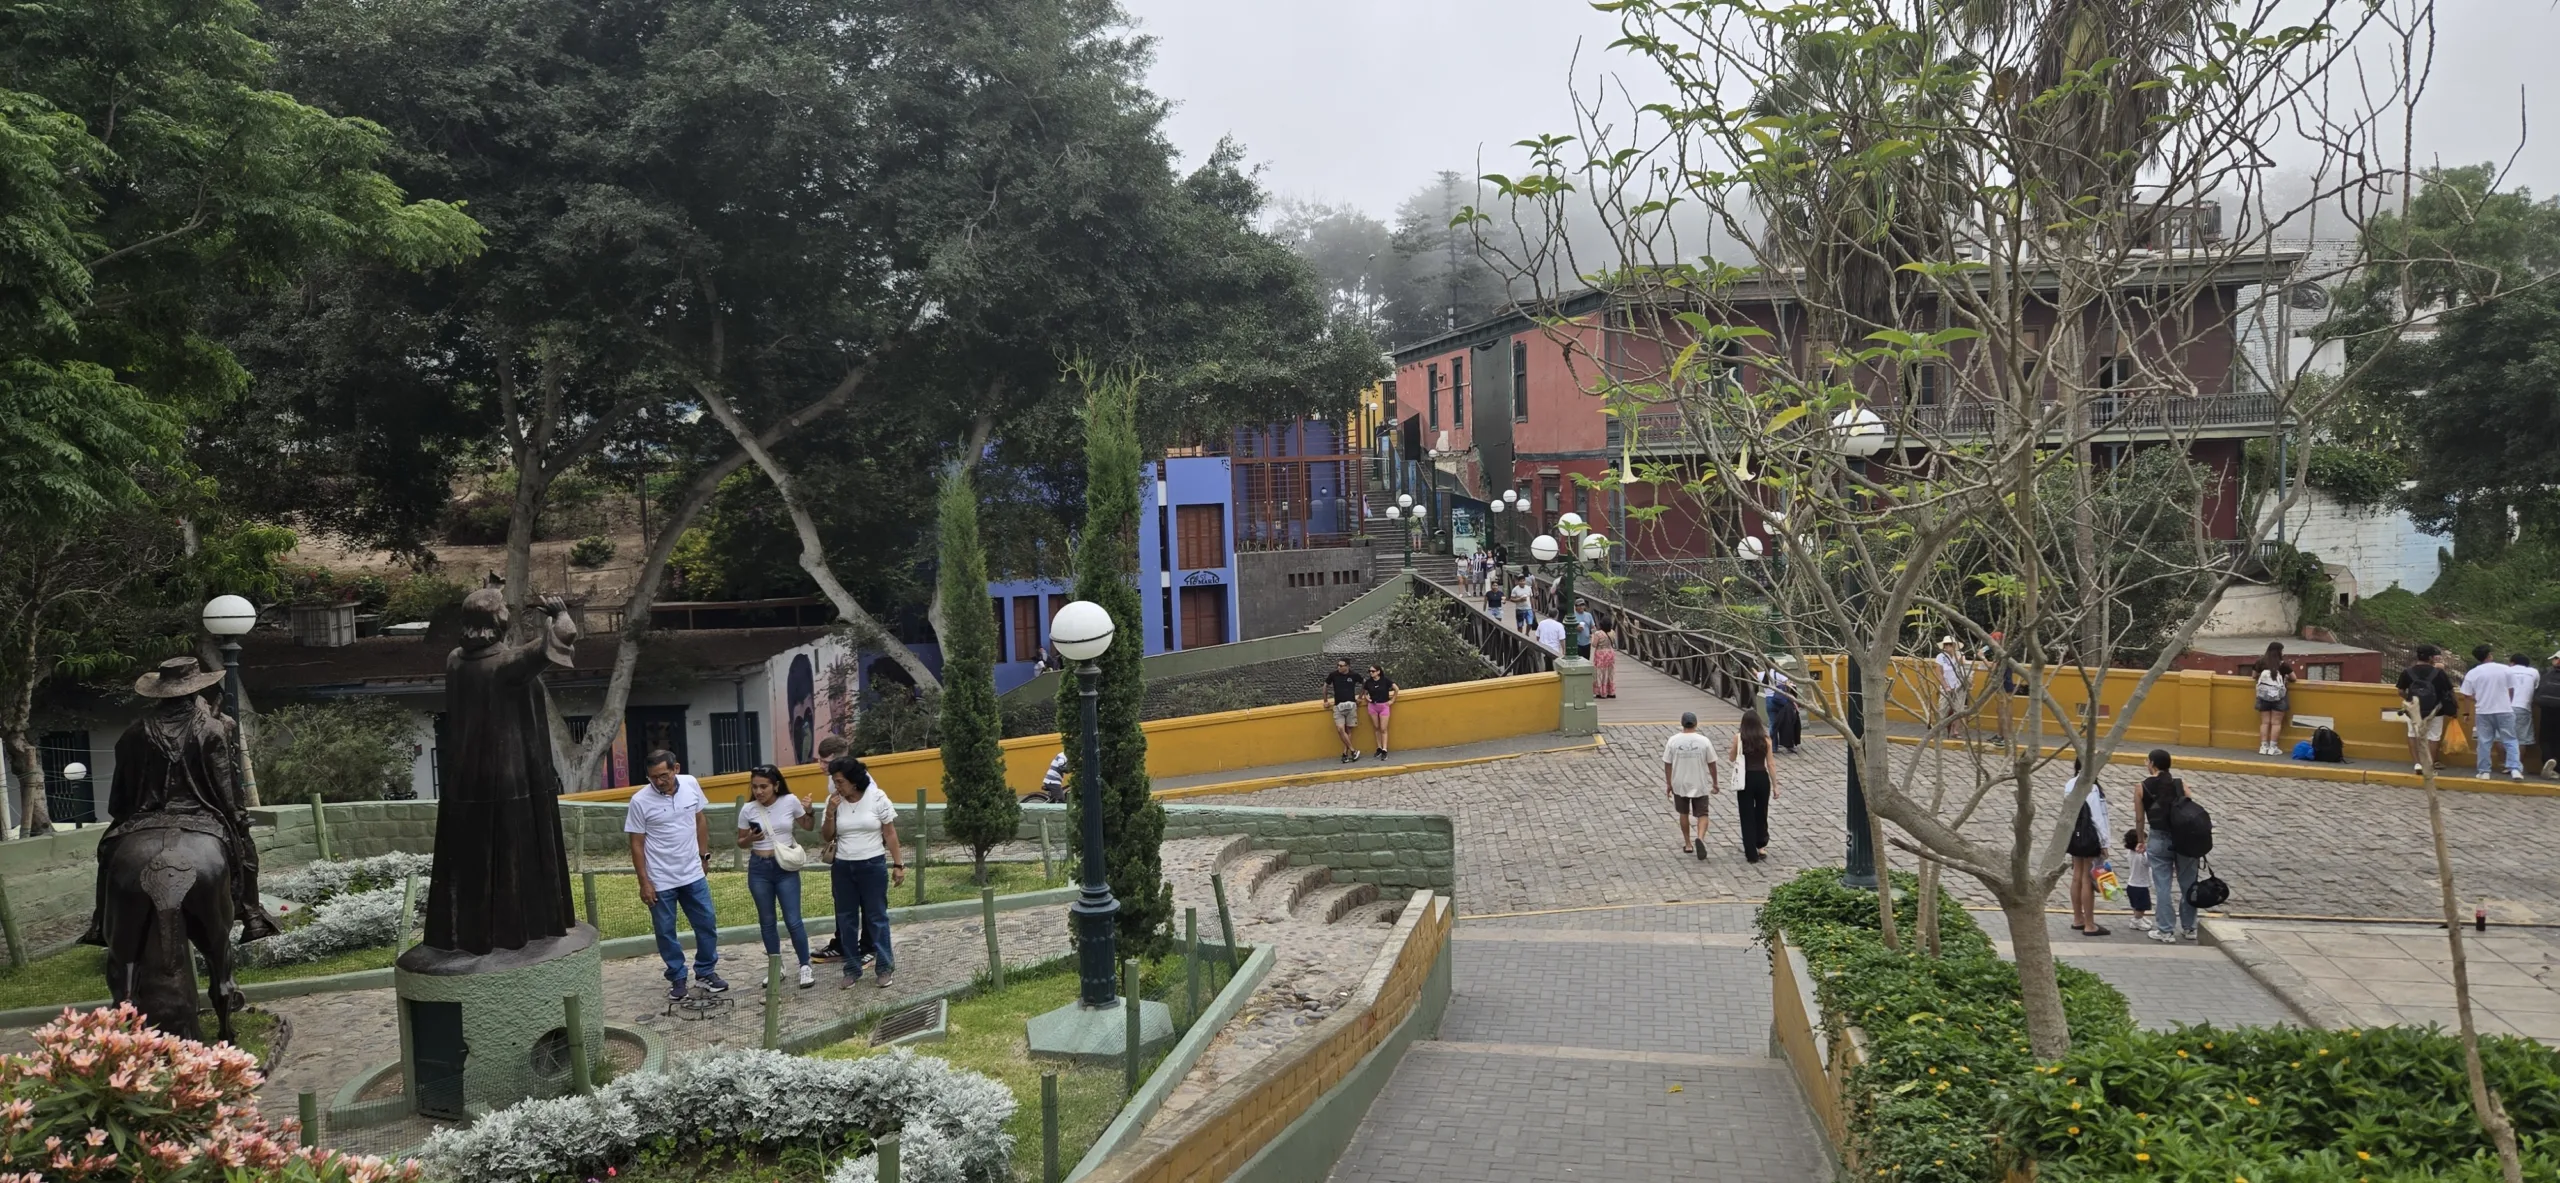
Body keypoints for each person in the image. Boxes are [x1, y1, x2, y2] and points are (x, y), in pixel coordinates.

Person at [626, 750, 726, 999]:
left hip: (692, 873)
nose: (659, 781)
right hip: (660, 879)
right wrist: (644, 882)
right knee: (665, 931)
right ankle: (677, 977)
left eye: (663, 775)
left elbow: (699, 820)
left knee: (707, 923)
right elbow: (636, 843)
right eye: (653, 777)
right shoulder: (639, 801)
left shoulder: (691, 784)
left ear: (676, 769)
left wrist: (703, 856)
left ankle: (705, 971)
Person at [820, 755, 904, 989]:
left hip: (872, 865)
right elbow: (826, 835)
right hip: (843, 867)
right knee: (846, 919)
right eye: (834, 782)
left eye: (840, 782)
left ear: (854, 780)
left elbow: (890, 833)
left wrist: (898, 865)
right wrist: (830, 812)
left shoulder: (877, 797)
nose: (836, 786)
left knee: (877, 917)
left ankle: (884, 967)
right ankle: (851, 968)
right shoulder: (834, 801)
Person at [735, 764, 815, 988]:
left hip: (784, 867)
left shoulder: (789, 801)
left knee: (793, 919)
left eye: (764, 786)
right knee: (767, 920)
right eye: (755, 787)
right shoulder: (748, 809)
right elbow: (740, 842)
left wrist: (809, 810)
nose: (759, 791)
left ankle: (805, 965)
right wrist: (750, 838)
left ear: (776, 785)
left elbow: (808, 826)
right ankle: (775, 966)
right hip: (759, 868)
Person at [2131, 749, 2198, 944]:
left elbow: (2139, 818)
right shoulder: (2180, 784)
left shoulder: (2141, 787)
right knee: (2189, 884)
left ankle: (2166, 930)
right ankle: (2189, 927)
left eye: (2147, 761)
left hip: (2159, 838)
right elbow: (2191, 810)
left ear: (2152, 764)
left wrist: (2141, 840)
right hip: (2184, 839)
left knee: (2162, 886)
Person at [811, 735, 855, 963]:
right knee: (841, 900)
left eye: (826, 762)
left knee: (861, 903)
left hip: (856, 850)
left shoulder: (858, 779)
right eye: (819, 760)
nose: (821, 766)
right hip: (841, 848)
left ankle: (865, 947)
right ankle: (842, 943)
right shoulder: (832, 780)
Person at [2459, 643, 2524, 781]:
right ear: (2489, 655)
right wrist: (2508, 702)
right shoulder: (2505, 669)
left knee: (2484, 742)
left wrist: (2466, 713)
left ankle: (2484, 771)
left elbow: (2466, 695)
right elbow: (2511, 689)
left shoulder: (2473, 673)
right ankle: (2515, 769)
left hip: (2483, 711)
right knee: (2510, 740)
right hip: (2504, 710)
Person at [1661, 711, 1722, 858]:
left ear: (1682, 724)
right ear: (1695, 724)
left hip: (1680, 783)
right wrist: (1715, 783)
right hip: (1699, 782)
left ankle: (1688, 844)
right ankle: (1700, 838)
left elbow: (1667, 763)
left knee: (1683, 813)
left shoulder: (1673, 741)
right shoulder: (1704, 741)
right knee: (1703, 814)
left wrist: (1669, 783)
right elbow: (1712, 764)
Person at [2062, 759, 2110, 937]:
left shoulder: (2070, 784)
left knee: (2076, 876)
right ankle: (2089, 924)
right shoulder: (2092, 788)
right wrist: (2104, 843)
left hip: (2074, 835)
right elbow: (2098, 817)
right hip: (2090, 837)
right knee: (2087, 878)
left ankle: (2078, 918)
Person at [2397, 645, 2457, 772]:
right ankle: (2428, 765)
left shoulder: (2408, 672)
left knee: (2412, 734)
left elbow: (2400, 691)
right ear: (2430, 658)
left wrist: (2410, 699)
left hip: (2414, 709)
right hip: (2435, 710)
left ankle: (2417, 764)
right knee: (2433, 737)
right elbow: (2450, 691)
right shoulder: (2439, 673)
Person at [1729, 711, 1776, 862]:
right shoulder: (1766, 740)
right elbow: (1770, 764)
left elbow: (1731, 757)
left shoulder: (1739, 738)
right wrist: (1775, 785)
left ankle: (1750, 852)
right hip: (1762, 778)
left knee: (1746, 814)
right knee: (1762, 812)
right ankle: (1761, 845)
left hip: (1746, 779)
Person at [2249, 641, 2294, 755]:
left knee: (2265, 722)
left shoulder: (2260, 662)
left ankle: (2263, 747)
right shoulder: (2283, 665)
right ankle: (2273, 748)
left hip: (2263, 696)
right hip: (2279, 697)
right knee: (2276, 723)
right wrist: (2286, 677)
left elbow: (2254, 676)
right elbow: (2294, 678)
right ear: (2280, 652)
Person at [1324, 658, 1365, 763]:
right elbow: (1325, 685)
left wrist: (1360, 697)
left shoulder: (1353, 675)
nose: (1339, 667)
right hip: (1338, 706)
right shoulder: (1333, 675)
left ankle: (1345, 754)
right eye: (1338, 665)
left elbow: (1364, 683)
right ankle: (1353, 750)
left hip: (1351, 705)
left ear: (1347, 666)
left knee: (1349, 730)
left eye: (1341, 666)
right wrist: (1325, 700)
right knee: (1340, 729)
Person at [1760, 662, 1802, 753]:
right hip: (1780, 700)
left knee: (1772, 724)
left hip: (1769, 701)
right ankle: (1788, 744)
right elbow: (1788, 684)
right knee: (1786, 722)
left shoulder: (1761, 675)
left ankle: (1773, 747)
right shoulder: (1778, 673)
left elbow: (1755, 673)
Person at [2505, 652, 2541, 754]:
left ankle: (2503, 762)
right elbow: (2536, 687)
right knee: (2521, 740)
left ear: (2512, 662)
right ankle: (2518, 763)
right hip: (2523, 707)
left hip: (2504, 708)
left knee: (2501, 738)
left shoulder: (2506, 670)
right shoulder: (2534, 672)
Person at [1934, 636, 1970, 738]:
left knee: (1959, 709)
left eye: (1950, 644)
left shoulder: (1959, 655)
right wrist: (1945, 686)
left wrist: (1957, 656)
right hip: (1946, 686)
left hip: (1959, 686)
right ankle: (1940, 730)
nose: (1948, 646)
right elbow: (1939, 673)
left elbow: (1964, 667)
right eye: (1946, 644)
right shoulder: (1941, 657)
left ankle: (1955, 731)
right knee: (1943, 708)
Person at [1362, 665, 1399, 761]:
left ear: (1378, 672)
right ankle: (1379, 747)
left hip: (1384, 705)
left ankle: (1384, 749)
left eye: (1373, 671)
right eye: (1370, 671)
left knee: (1383, 728)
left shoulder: (1385, 680)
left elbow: (1396, 689)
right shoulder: (1368, 682)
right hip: (1373, 706)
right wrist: (1367, 698)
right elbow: (1364, 693)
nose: (1371, 673)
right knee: (1376, 727)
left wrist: (1392, 700)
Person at [2539, 652, 2560, 777]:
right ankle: (2557, 767)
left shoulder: (2546, 673)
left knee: (2545, 739)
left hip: (2546, 710)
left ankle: (2548, 761)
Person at [1591, 618, 1619, 699]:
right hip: (1610, 653)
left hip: (1601, 653)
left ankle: (1601, 692)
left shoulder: (1598, 634)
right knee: (1610, 672)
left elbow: (1594, 645)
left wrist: (1592, 636)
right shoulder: (1612, 632)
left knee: (1600, 672)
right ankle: (1611, 691)